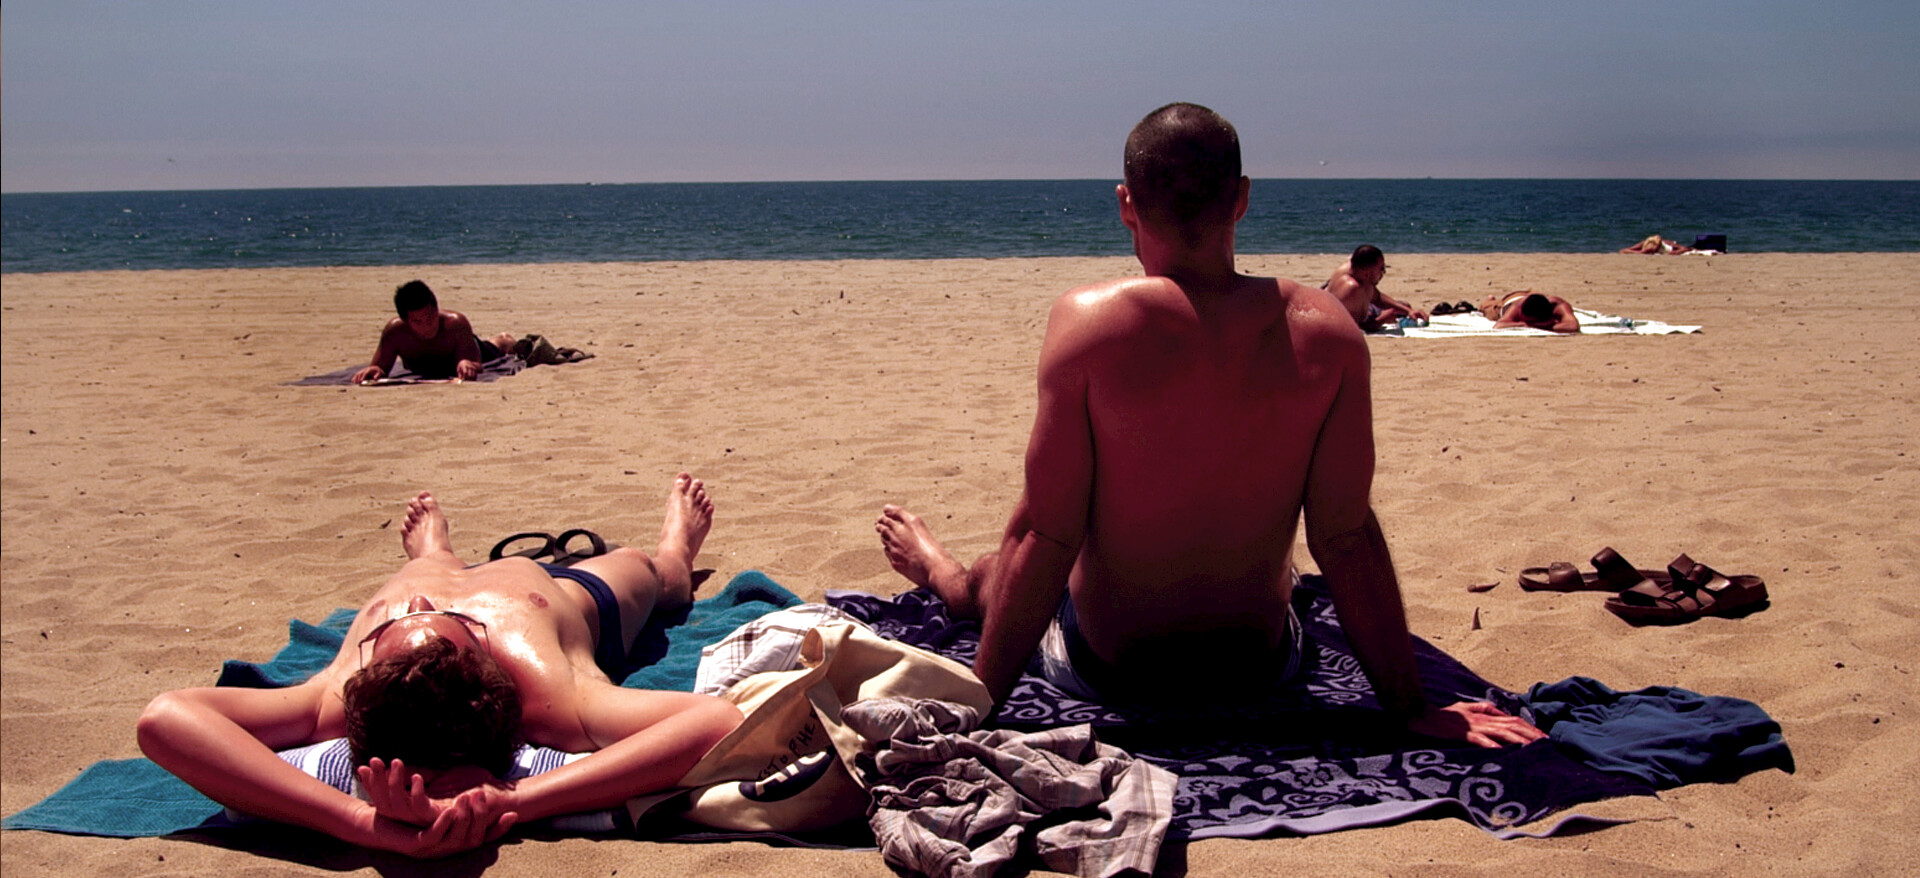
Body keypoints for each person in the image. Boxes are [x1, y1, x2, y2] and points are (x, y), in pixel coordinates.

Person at [874, 103, 1543, 749]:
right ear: (1243, 198)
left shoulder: (1088, 325)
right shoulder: (1329, 333)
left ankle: (947, 576)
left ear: (1126, 204)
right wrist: (1411, 707)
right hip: (1261, 669)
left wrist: (979, 708)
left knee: (1017, 545)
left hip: (1110, 669)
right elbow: (1344, 536)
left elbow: (1047, 537)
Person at [137, 474, 740, 858]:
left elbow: (165, 718)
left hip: (460, 575)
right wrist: (517, 798)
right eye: (450, 620)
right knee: (654, 576)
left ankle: (433, 551)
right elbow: (716, 721)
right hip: (567, 597)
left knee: (424, 570)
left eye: (387, 631)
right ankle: (675, 552)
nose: (422, 603)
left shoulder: (334, 697)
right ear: (483, 650)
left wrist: (354, 821)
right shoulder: (552, 696)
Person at [350, 280, 518, 384]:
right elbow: (380, 367)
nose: (427, 326)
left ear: (437, 309)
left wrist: (466, 364)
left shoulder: (455, 324)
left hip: (470, 349)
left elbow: (475, 363)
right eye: (417, 322)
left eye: (430, 318)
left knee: (496, 347)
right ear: (405, 321)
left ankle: (502, 339)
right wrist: (375, 370)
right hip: (429, 364)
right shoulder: (395, 332)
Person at [1325, 244, 1427, 330]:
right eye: (1381, 269)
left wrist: (1408, 311)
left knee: (1404, 306)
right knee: (1397, 312)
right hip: (1347, 316)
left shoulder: (1357, 272)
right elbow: (1356, 328)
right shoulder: (1352, 289)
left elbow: (1377, 297)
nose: (1383, 273)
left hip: (1359, 308)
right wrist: (1383, 319)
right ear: (1367, 274)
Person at [1479, 290, 1582, 333]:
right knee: (1487, 309)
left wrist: (1540, 325)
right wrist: (1527, 324)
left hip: (1527, 293)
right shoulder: (1517, 307)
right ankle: (1490, 300)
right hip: (1508, 303)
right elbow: (1498, 325)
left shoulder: (1557, 304)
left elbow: (1573, 326)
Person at [1619, 235, 1693, 255]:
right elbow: (1684, 249)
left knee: (1634, 248)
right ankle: (1627, 251)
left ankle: (1626, 250)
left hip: (1654, 241)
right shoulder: (1670, 244)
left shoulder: (1669, 243)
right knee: (1643, 250)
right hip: (1658, 243)